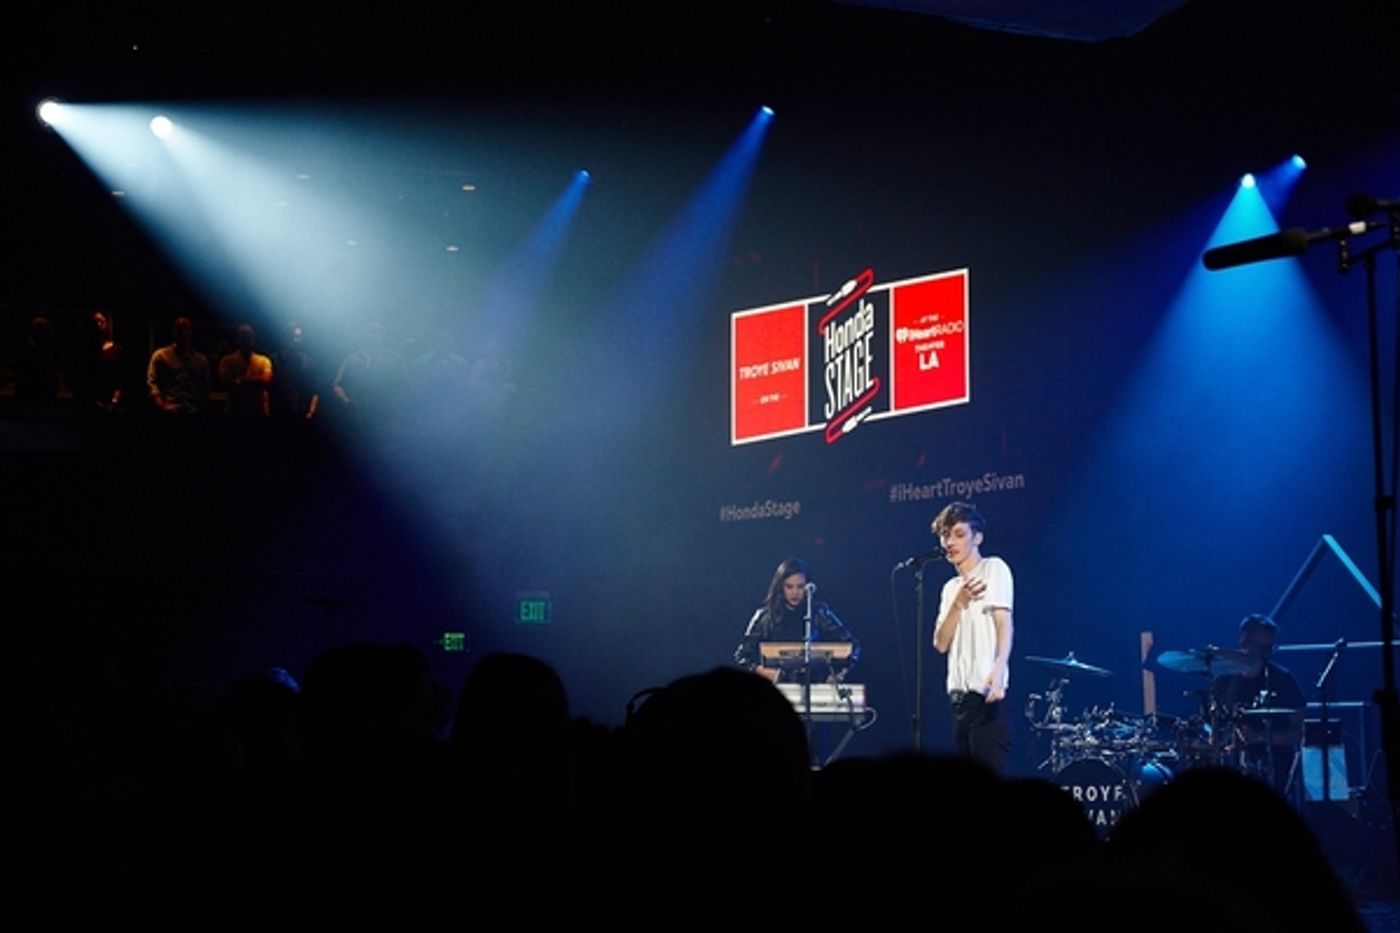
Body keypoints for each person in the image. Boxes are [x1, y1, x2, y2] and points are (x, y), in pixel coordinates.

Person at [932, 501, 1014, 774]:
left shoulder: (994, 568)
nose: (949, 542)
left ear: (977, 537)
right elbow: (940, 644)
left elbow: (1004, 623)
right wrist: (959, 602)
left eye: (958, 533)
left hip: (988, 695)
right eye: (945, 535)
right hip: (959, 701)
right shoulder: (950, 588)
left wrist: (1000, 667)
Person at [1209, 614, 1304, 795]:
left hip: (1275, 769)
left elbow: (1300, 730)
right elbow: (1210, 729)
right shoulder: (1224, 682)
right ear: (1243, 642)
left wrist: (1260, 737)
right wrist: (1223, 744)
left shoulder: (1283, 680)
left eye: (1268, 648)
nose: (1263, 653)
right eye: (1259, 647)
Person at [734, 558, 859, 684]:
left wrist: (838, 676)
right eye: (789, 587)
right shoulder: (765, 616)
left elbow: (853, 647)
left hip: (815, 686)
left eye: (800, 587)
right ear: (780, 587)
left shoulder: (820, 613)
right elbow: (742, 655)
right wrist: (765, 672)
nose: (795, 592)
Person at [147, 316, 211, 414]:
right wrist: (162, 405)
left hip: (193, 411)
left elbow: (205, 388)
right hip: (169, 409)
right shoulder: (161, 356)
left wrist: (201, 408)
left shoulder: (200, 361)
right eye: (179, 329)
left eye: (186, 329)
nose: (183, 332)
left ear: (191, 332)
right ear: (173, 332)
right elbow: (152, 383)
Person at [218, 323, 274, 416]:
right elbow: (225, 382)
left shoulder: (263, 360)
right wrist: (255, 381)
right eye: (243, 336)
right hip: (235, 411)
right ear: (238, 339)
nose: (246, 340)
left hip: (258, 412)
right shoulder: (227, 360)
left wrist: (239, 381)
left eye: (249, 336)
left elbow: (266, 380)